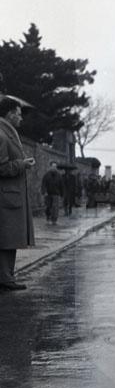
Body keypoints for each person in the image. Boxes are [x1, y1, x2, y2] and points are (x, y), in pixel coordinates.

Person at [0, 96, 35, 291]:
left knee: (9, 238)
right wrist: (22, 164)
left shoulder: (7, 132)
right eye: (19, 114)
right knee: (7, 238)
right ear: (9, 114)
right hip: (6, 197)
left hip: (10, 196)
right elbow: (2, 167)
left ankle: (6, 277)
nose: (21, 118)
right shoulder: (2, 135)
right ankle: (5, 278)